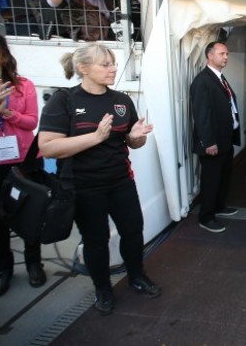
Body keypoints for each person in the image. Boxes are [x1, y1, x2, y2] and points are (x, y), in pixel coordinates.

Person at [38, 44, 161, 316]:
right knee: (96, 240)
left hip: (120, 181)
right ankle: (103, 289)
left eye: (113, 63)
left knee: (133, 231)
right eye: (105, 64)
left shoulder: (121, 100)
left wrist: (136, 136)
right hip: (83, 186)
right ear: (83, 68)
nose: (113, 68)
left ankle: (137, 277)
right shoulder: (64, 101)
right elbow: (47, 147)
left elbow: (131, 141)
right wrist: (95, 137)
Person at [0, 34, 45, 298]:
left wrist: (7, 113)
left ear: (2, 55)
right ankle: (3, 267)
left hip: (25, 161)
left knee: (30, 213)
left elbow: (31, 122)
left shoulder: (23, 85)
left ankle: (33, 262)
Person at [190, 41, 240, 234]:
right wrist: (208, 142)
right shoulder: (202, 81)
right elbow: (201, 115)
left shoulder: (219, 78)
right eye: (222, 54)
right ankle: (206, 217)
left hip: (225, 139)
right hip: (213, 142)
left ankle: (219, 206)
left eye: (227, 54)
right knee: (211, 180)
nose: (226, 57)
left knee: (224, 176)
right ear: (210, 56)